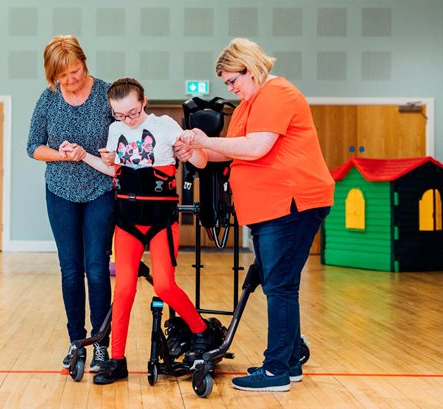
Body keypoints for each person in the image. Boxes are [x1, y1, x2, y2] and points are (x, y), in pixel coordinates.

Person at [176, 38, 334, 392]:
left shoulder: (278, 94)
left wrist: (205, 140)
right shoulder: (250, 103)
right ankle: (290, 364)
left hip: (292, 204)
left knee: (280, 287)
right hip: (269, 208)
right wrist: (193, 151)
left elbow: (257, 147)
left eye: (233, 80)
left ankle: (276, 369)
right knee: (279, 286)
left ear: (251, 67)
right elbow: (228, 155)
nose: (230, 88)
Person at [68, 77, 218, 385]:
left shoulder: (166, 126)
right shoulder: (115, 131)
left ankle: (202, 331)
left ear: (144, 101)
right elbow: (115, 170)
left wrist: (191, 153)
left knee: (163, 285)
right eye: (119, 115)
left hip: (161, 221)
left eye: (132, 113)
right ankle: (117, 360)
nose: (127, 120)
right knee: (123, 291)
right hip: (127, 222)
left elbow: (201, 162)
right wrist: (87, 157)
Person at [26, 35, 114, 372]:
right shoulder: (48, 99)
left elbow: (120, 143)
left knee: (96, 267)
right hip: (60, 191)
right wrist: (63, 157)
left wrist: (93, 155)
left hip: (100, 191)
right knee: (70, 269)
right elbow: (33, 147)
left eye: (75, 71)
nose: (70, 80)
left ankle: (101, 344)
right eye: (63, 76)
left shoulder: (106, 94)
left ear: (84, 63)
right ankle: (76, 341)